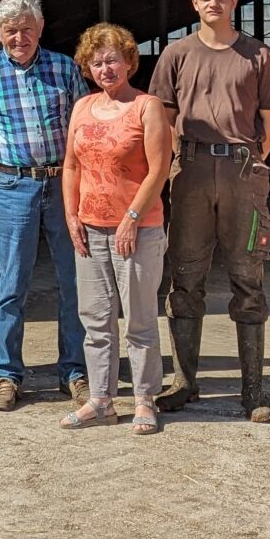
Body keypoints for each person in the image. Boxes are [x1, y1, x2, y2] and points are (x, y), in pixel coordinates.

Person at [148, 0, 270, 423]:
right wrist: (177, 161)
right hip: (189, 170)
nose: (214, 3)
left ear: (234, 0)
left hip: (241, 171)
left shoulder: (257, 55)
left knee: (247, 277)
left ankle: (253, 390)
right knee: (185, 275)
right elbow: (163, 116)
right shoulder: (176, 54)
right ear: (194, 3)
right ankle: (185, 382)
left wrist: (249, 159)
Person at [0, 0, 91, 411]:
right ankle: (7, 374)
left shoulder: (65, 68)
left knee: (74, 281)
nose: (19, 37)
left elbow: (82, 128)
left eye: (27, 28)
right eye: (11, 30)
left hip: (62, 184)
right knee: (12, 285)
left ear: (41, 28)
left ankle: (75, 371)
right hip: (13, 187)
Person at [60, 23, 172, 434]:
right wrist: (72, 216)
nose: (105, 68)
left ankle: (144, 399)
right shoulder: (82, 107)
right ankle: (101, 400)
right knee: (95, 319)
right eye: (97, 61)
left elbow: (159, 169)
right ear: (88, 68)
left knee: (139, 318)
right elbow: (72, 165)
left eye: (112, 60)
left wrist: (133, 217)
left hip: (137, 230)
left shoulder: (147, 107)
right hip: (90, 228)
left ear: (129, 61)